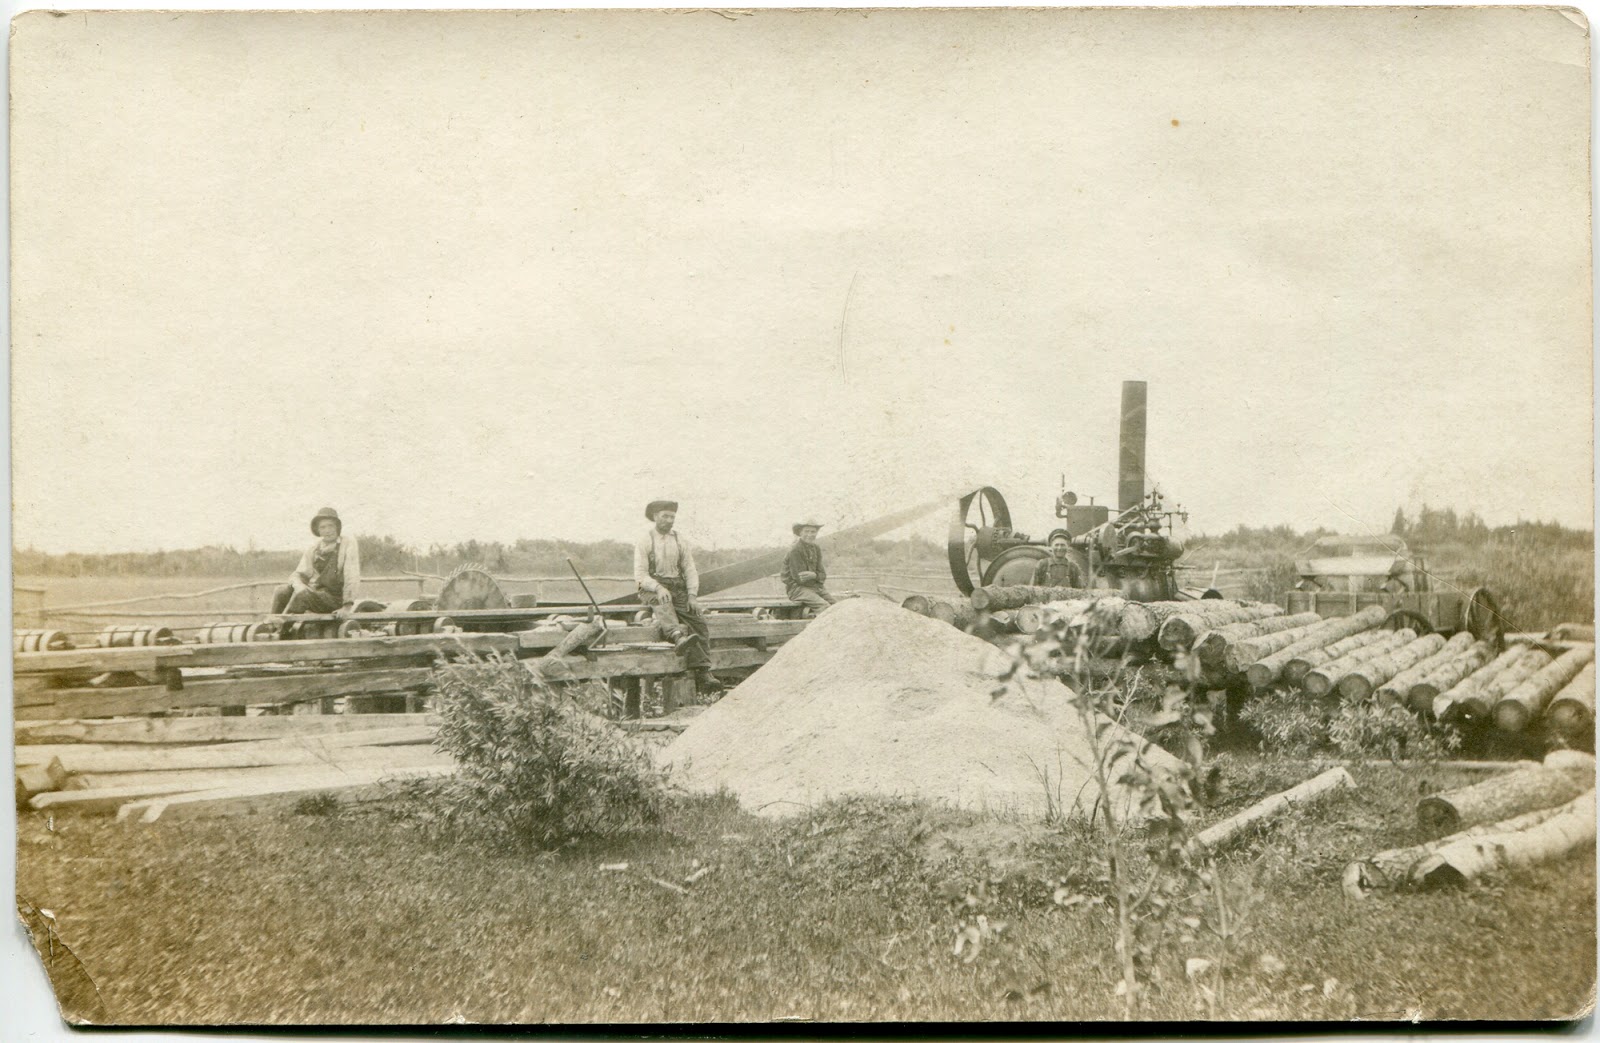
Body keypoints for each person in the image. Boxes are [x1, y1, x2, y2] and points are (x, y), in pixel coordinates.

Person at [633, 500, 722, 695]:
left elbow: (690, 569)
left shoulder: (680, 540)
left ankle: (703, 671)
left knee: (698, 621)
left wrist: (692, 596)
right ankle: (677, 635)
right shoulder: (645, 540)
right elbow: (640, 575)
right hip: (651, 587)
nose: (669, 520)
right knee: (663, 604)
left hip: (677, 587)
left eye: (672, 516)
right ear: (655, 516)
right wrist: (657, 587)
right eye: (665, 516)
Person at [272, 507, 362, 615]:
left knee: (302, 595)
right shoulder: (314, 549)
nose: (327, 530)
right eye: (323, 527)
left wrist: (347, 607)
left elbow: (351, 576)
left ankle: (282, 629)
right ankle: (271, 626)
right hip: (317, 595)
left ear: (337, 527)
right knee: (281, 591)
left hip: (336, 599)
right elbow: (298, 574)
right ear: (318, 531)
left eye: (330, 526)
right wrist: (298, 585)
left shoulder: (347, 543)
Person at [781, 520, 836, 615]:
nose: (809, 534)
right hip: (797, 589)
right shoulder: (795, 550)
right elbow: (800, 579)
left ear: (816, 533)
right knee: (824, 607)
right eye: (806, 531)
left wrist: (814, 575)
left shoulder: (816, 548)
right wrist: (817, 576)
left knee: (837, 606)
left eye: (813, 531)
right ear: (800, 533)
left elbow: (823, 574)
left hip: (815, 587)